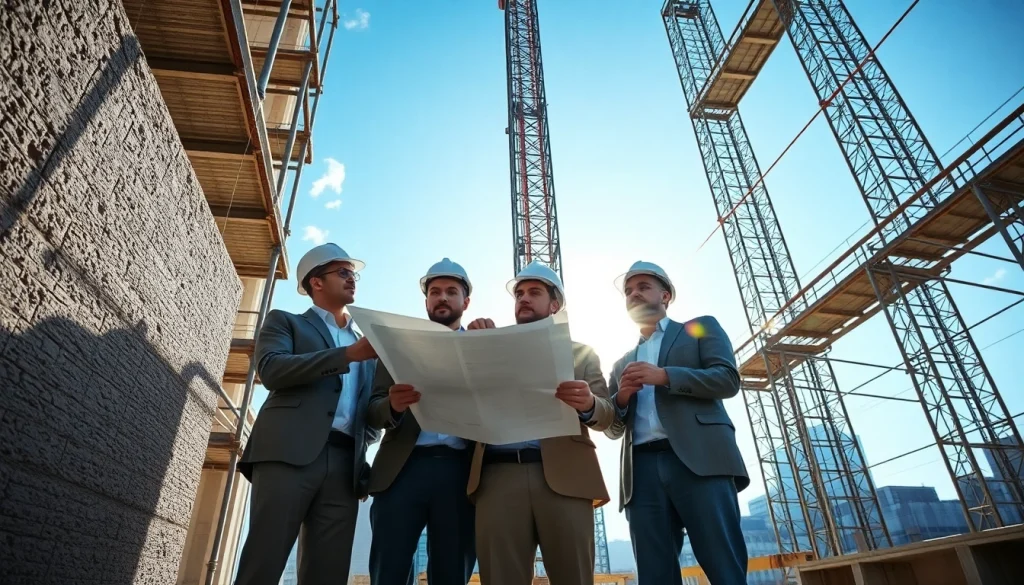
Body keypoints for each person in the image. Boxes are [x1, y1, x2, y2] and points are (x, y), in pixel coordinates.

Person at [234, 243, 381, 585]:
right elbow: (271, 370)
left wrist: (365, 449)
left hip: (345, 466)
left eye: (353, 273)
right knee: (264, 561)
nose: (352, 279)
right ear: (316, 281)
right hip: (286, 456)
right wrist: (346, 355)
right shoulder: (285, 322)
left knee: (328, 573)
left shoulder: (367, 345)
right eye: (343, 273)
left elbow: (367, 411)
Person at [465, 260, 614, 585]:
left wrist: (588, 403)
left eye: (534, 292)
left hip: (567, 479)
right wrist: (472, 346)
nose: (524, 299)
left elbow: (608, 415)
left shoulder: (582, 354)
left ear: (555, 304)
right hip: (498, 477)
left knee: (574, 577)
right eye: (519, 294)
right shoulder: (489, 345)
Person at [604, 260, 749, 585]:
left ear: (666, 296)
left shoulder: (699, 328)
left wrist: (666, 376)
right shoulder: (620, 363)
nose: (634, 294)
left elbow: (727, 379)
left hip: (702, 463)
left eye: (643, 287)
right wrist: (623, 398)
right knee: (655, 576)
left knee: (724, 566)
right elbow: (613, 428)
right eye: (628, 291)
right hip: (641, 474)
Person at [366, 258, 477, 585]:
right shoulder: (397, 346)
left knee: (452, 573)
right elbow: (372, 409)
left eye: (451, 292)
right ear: (426, 300)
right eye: (435, 292)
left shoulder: (484, 346)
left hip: (462, 473)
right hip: (402, 471)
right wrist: (393, 405)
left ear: (465, 302)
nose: (442, 297)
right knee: (389, 573)